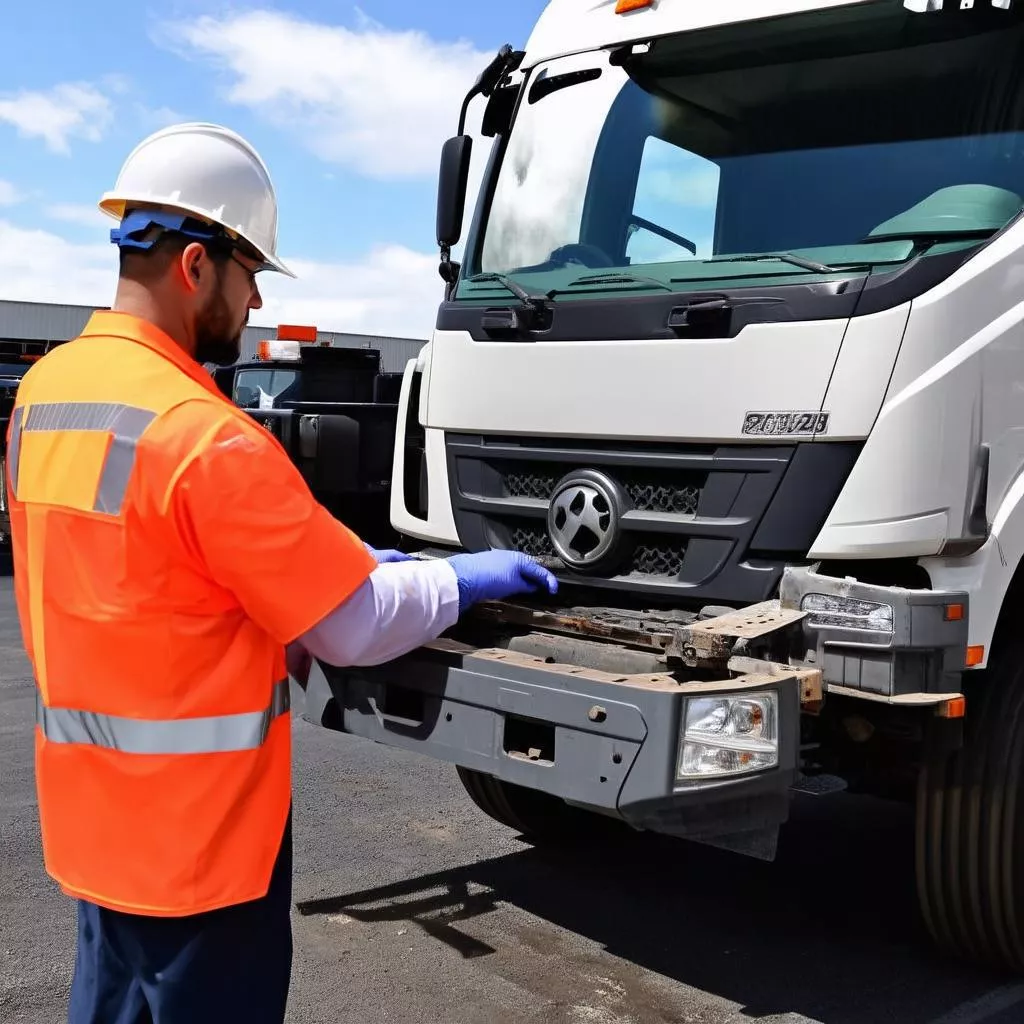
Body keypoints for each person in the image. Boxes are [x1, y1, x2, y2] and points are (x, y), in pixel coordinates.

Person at [4, 122, 558, 1024]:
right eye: (251, 271)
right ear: (195, 266)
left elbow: (150, 565)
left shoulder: (46, 395)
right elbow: (354, 623)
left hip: (95, 825)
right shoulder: (207, 434)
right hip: (203, 852)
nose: (255, 299)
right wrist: (464, 578)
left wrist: (331, 556)